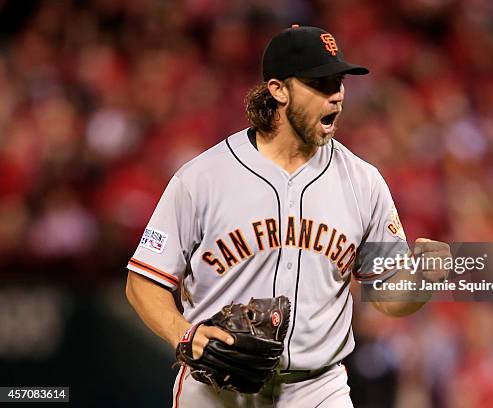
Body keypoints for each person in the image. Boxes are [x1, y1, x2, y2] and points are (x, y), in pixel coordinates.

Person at [125, 25, 450, 407]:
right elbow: (142, 281)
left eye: (339, 82)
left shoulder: (363, 182)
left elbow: (388, 298)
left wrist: (423, 281)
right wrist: (183, 333)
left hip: (317, 388)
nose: (337, 96)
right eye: (321, 83)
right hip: (217, 386)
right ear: (278, 89)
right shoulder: (202, 178)